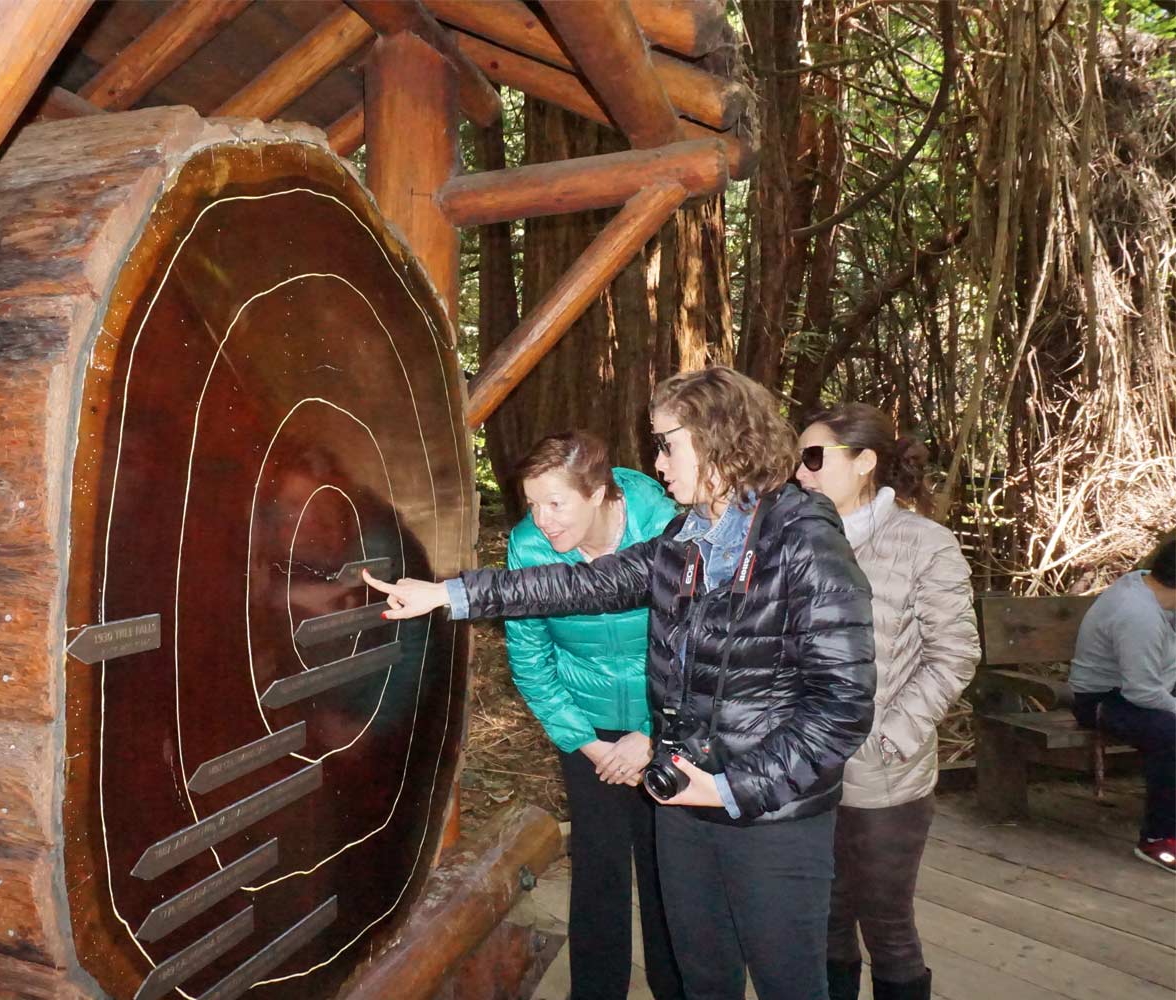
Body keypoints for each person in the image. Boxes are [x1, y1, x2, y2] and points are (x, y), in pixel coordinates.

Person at [366, 367, 876, 1000]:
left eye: (667, 443)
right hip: (683, 800)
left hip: (770, 817)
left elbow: (842, 706)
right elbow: (581, 584)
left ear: (719, 439)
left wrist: (729, 788)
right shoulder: (685, 542)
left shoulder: (803, 543)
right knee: (703, 979)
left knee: (788, 984)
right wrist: (448, 594)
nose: (657, 461)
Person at [795, 404, 980, 1000]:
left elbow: (953, 653)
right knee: (822, 920)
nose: (801, 472)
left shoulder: (924, 543)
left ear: (866, 462)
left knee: (887, 925)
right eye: (798, 459)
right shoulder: (795, 538)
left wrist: (892, 734)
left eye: (815, 458)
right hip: (803, 767)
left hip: (884, 775)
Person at [505, 431, 683, 1000]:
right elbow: (531, 661)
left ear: (601, 493)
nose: (543, 520)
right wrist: (589, 744)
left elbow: (698, 645)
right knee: (600, 867)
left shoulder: (665, 526)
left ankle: (675, 987)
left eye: (556, 503)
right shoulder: (529, 547)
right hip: (587, 729)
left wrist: (653, 736)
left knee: (668, 869)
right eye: (532, 503)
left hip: (668, 719)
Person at [1069, 536, 1176, 872]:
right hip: (1107, 698)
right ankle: (1159, 839)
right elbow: (1143, 694)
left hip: (1152, 686)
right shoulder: (1137, 615)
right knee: (1170, 733)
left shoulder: (1152, 587)